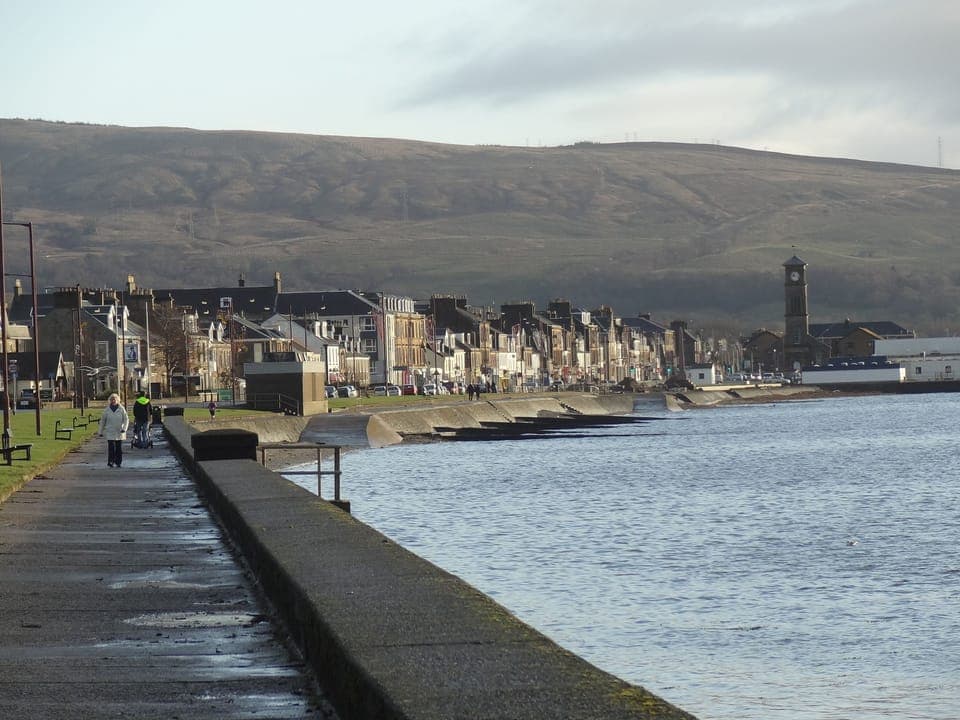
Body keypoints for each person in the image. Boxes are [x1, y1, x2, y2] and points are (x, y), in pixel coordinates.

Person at [98, 393, 129, 468]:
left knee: (118, 448)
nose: (113, 401)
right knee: (111, 447)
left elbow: (126, 419)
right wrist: (100, 431)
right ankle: (110, 461)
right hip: (110, 430)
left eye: (115, 399)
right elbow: (103, 421)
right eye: (112, 399)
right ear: (110, 400)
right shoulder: (107, 410)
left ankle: (118, 462)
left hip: (119, 431)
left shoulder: (121, 409)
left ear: (118, 400)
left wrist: (124, 429)